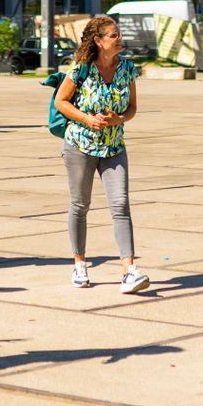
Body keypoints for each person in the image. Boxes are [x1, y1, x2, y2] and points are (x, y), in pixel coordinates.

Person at [54, 15, 147, 294]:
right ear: (98, 40)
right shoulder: (82, 68)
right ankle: (80, 264)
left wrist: (120, 119)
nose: (119, 39)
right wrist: (85, 118)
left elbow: (132, 108)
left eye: (119, 34)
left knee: (120, 205)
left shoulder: (127, 68)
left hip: (114, 148)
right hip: (80, 146)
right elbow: (61, 101)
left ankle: (129, 270)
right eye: (114, 35)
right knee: (80, 205)